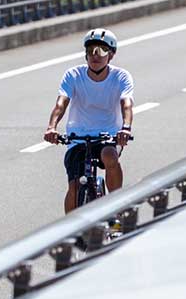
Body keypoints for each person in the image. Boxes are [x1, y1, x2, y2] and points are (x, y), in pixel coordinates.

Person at [44, 28, 135, 213]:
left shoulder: (121, 77)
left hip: (108, 135)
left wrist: (125, 128)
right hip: (77, 137)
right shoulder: (73, 75)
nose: (95, 55)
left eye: (101, 50)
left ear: (111, 55)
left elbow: (127, 105)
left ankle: (117, 207)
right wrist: (51, 128)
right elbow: (61, 104)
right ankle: (71, 230)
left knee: (110, 156)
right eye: (91, 50)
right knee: (75, 186)